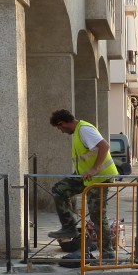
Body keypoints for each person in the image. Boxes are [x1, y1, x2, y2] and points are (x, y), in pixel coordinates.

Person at [47, 109, 119, 260]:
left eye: (59, 128)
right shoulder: (77, 132)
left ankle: (107, 253)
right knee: (59, 190)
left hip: (100, 177)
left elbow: (104, 146)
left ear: (62, 123)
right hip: (85, 176)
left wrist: (95, 168)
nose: (60, 131)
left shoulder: (84, 130)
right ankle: (69, 227)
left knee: (97, 215)